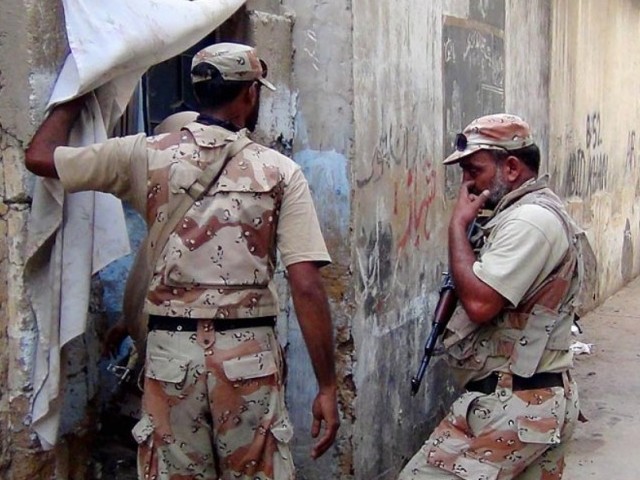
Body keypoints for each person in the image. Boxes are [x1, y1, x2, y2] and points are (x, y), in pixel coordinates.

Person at [25, 42, 339, 480]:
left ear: (196, 92)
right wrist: (326, 385)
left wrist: (81, 89)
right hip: (248, 356)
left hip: (171, 354)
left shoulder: (143, 154)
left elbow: (39, 157)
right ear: (250, 95)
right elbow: (305, 283)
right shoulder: (279, 171)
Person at [400, 114, 586, 479]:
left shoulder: (529, 221)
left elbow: (481, 304)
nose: (466, 183)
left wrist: (456, 226)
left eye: (474, 170)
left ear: (512, 168)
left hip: (517, 403)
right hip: (528, 400)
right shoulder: (521, 214)